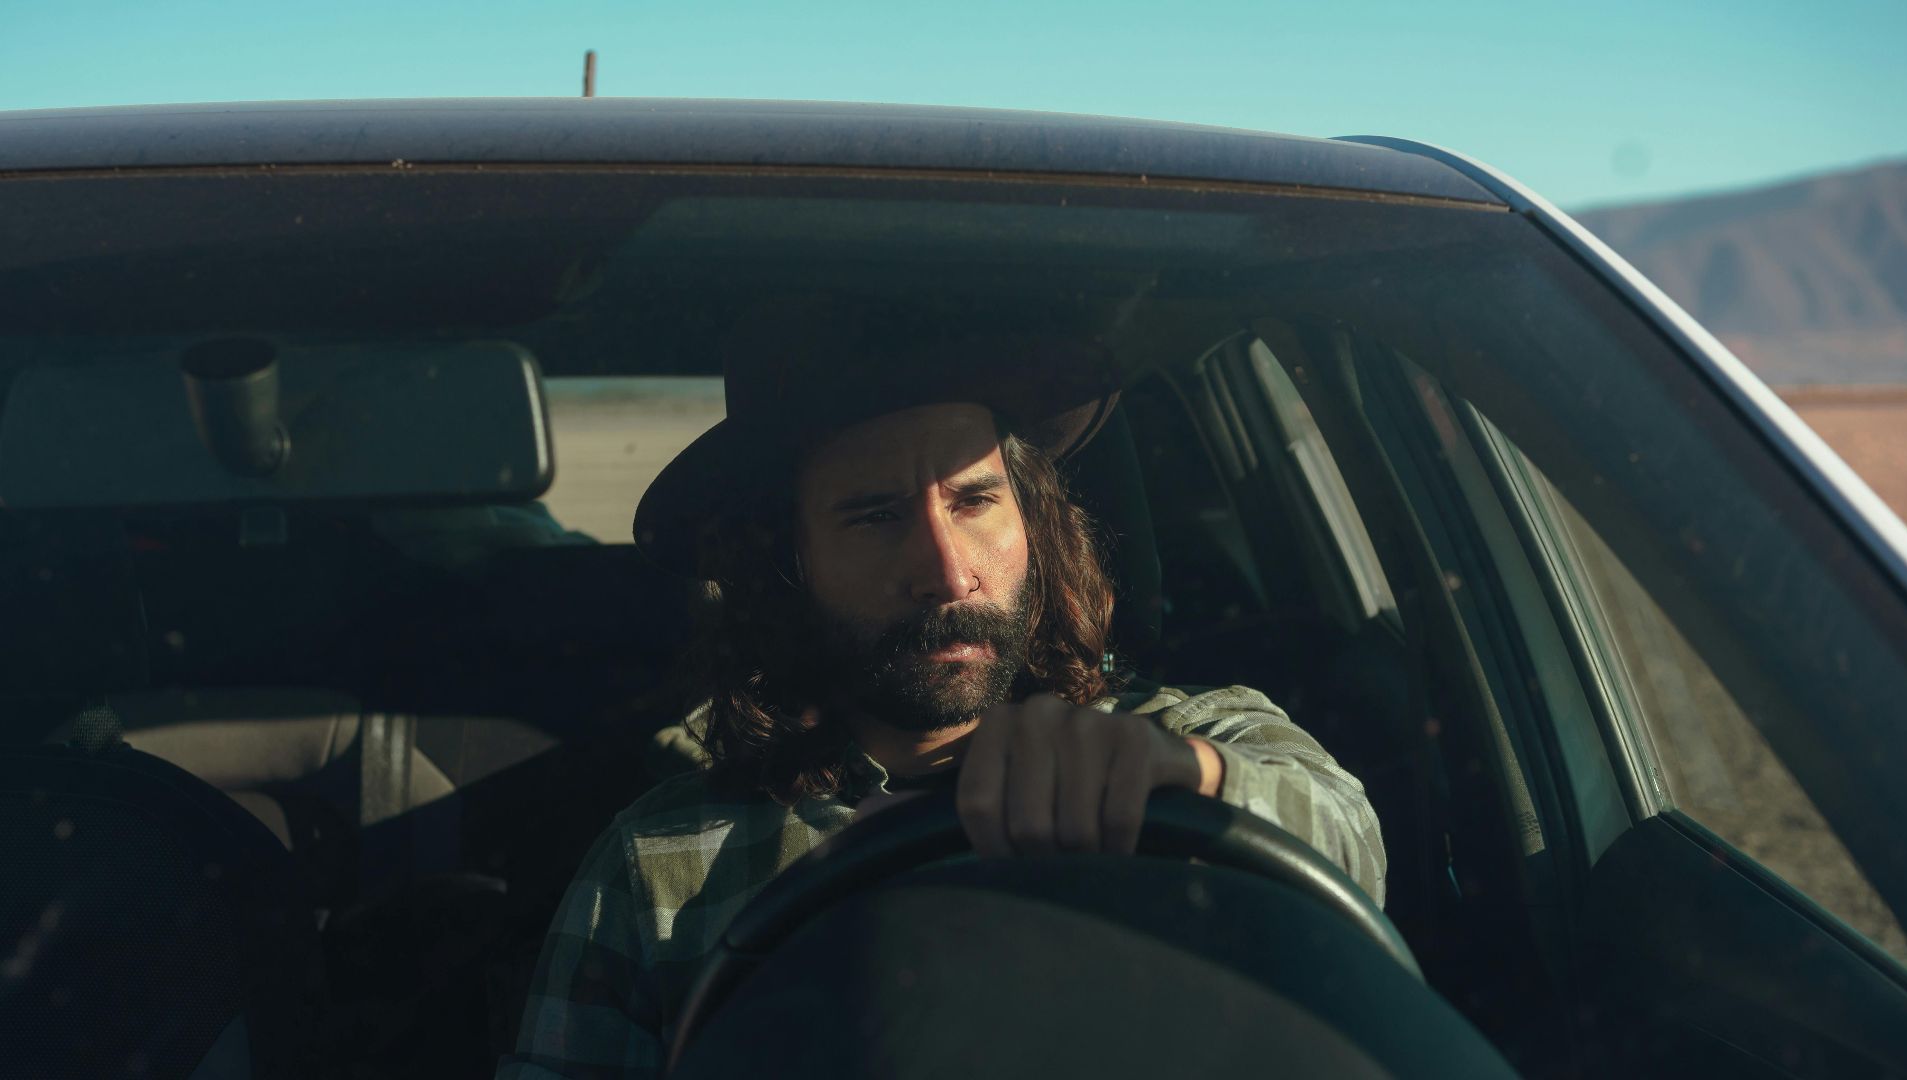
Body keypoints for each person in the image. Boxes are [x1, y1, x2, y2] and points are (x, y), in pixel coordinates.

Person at [497, 331, 1387, 1079]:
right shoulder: (662, 868)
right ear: (787, 561)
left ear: (1031, 523)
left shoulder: (1191, 736)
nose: (949, 570)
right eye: (876, 515)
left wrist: (1177, 780)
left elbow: (1346, 839)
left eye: (974, 501)